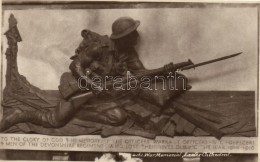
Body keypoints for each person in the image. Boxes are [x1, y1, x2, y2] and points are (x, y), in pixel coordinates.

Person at [0, 17, 189, 131]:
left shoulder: (129, 53)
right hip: (78, 88)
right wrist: (93, 85)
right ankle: (20, 114)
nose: (137, 37)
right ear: (124, 37)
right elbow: (75, 66)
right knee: (53, 122)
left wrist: (165, 71)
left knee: (118, 118)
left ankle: (78, 112)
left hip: (100, 97)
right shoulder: (100, 47)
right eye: (133, 34)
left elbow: (140, 74)